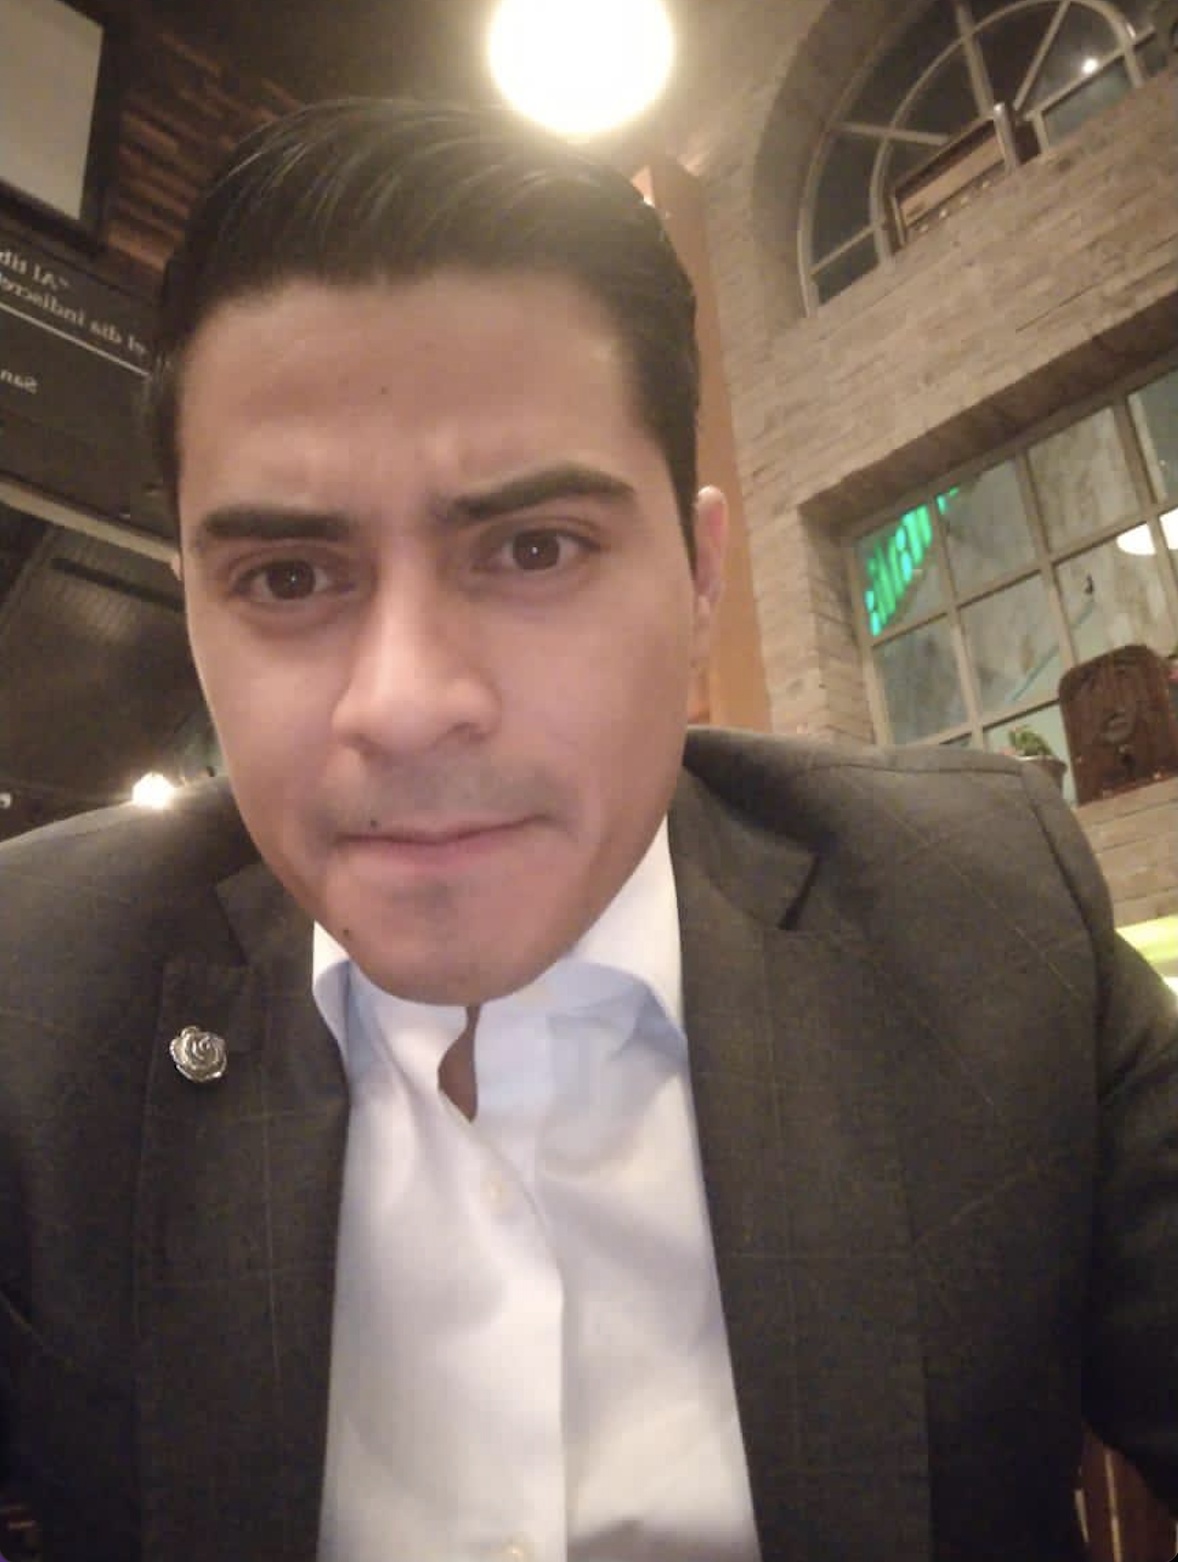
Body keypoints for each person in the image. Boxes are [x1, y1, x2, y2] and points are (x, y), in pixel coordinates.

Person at [1, 98, 1176, 1562]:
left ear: (698, 575)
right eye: (289, 578)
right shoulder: (40, 990)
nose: (406, 703)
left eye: (534, 547)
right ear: (193, 607)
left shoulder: (984, 918)